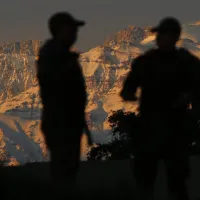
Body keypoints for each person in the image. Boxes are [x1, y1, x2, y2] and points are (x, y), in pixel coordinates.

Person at [120, 17, 200, 200]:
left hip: (161, 127)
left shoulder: (148, 61)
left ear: (173, 36)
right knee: (166, 180)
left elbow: (127, 92)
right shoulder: (185, 61)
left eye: (162, 34)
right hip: (167, 127)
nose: (158, 38)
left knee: (157, 180)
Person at [36, 12, 88, 197]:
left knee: (68, 170)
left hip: (68, 120)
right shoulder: (53, 53)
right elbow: (54, 85)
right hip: (60, 120)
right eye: (71, 29)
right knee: (63, 169)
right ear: (59, 30)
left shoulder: (62, 54)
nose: (75, 33)